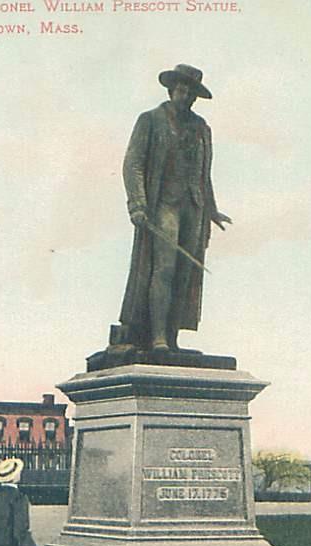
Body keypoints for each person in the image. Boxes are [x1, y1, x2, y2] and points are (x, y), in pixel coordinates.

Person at [117, 63, 232, 352]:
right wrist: (138, 205)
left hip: (193, 207)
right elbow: (133, 164)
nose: (186, 96)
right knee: (164, 269)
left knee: (185, 272)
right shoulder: (150, 120)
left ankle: (172, 336)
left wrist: (212, 209)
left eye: (191, 92)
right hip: (162, 205)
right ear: (171, 90)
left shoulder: (201, 127)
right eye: (182, 90)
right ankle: (158, 337)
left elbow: (204, 172)